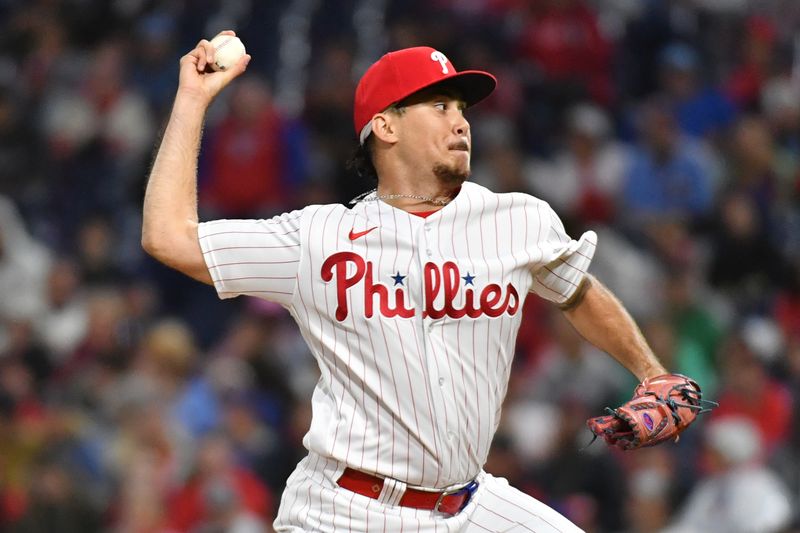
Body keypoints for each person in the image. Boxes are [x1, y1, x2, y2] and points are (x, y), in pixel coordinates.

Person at [142, 32, 689, 532]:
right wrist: (193, 99)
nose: (462, 122)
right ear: (386, 125)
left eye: (462, 109)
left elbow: (577, 291)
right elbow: (168, 237)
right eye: (440, 105)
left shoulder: (520, 219)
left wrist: (651, 373)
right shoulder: (317, 238)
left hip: (468, 504)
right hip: (345, 511)